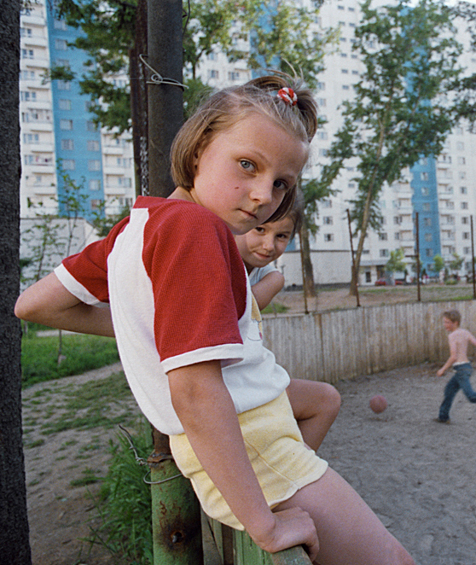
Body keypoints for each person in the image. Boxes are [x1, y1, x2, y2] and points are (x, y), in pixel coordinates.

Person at [15, 75, 413, 565]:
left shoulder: (136, 226)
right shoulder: (198, 229)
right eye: (247, 164)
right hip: (253, 441)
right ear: (200, 146)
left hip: (242, 442)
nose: (263, 195)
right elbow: (196, 391)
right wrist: (264, 524)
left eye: (281, 183)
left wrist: (152, 331)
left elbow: (34, 305)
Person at [236, 201, 341, 452]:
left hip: (249, 380)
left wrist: (276, 278)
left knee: (327, 400)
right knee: (324, 400)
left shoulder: (263, 272)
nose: (269, 245)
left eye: (281, 236)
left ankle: (297, 467)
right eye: (260, 229)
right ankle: (294, 469)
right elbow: (238, 311)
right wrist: (276, 279)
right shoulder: (222, 262)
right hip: (231, 387)